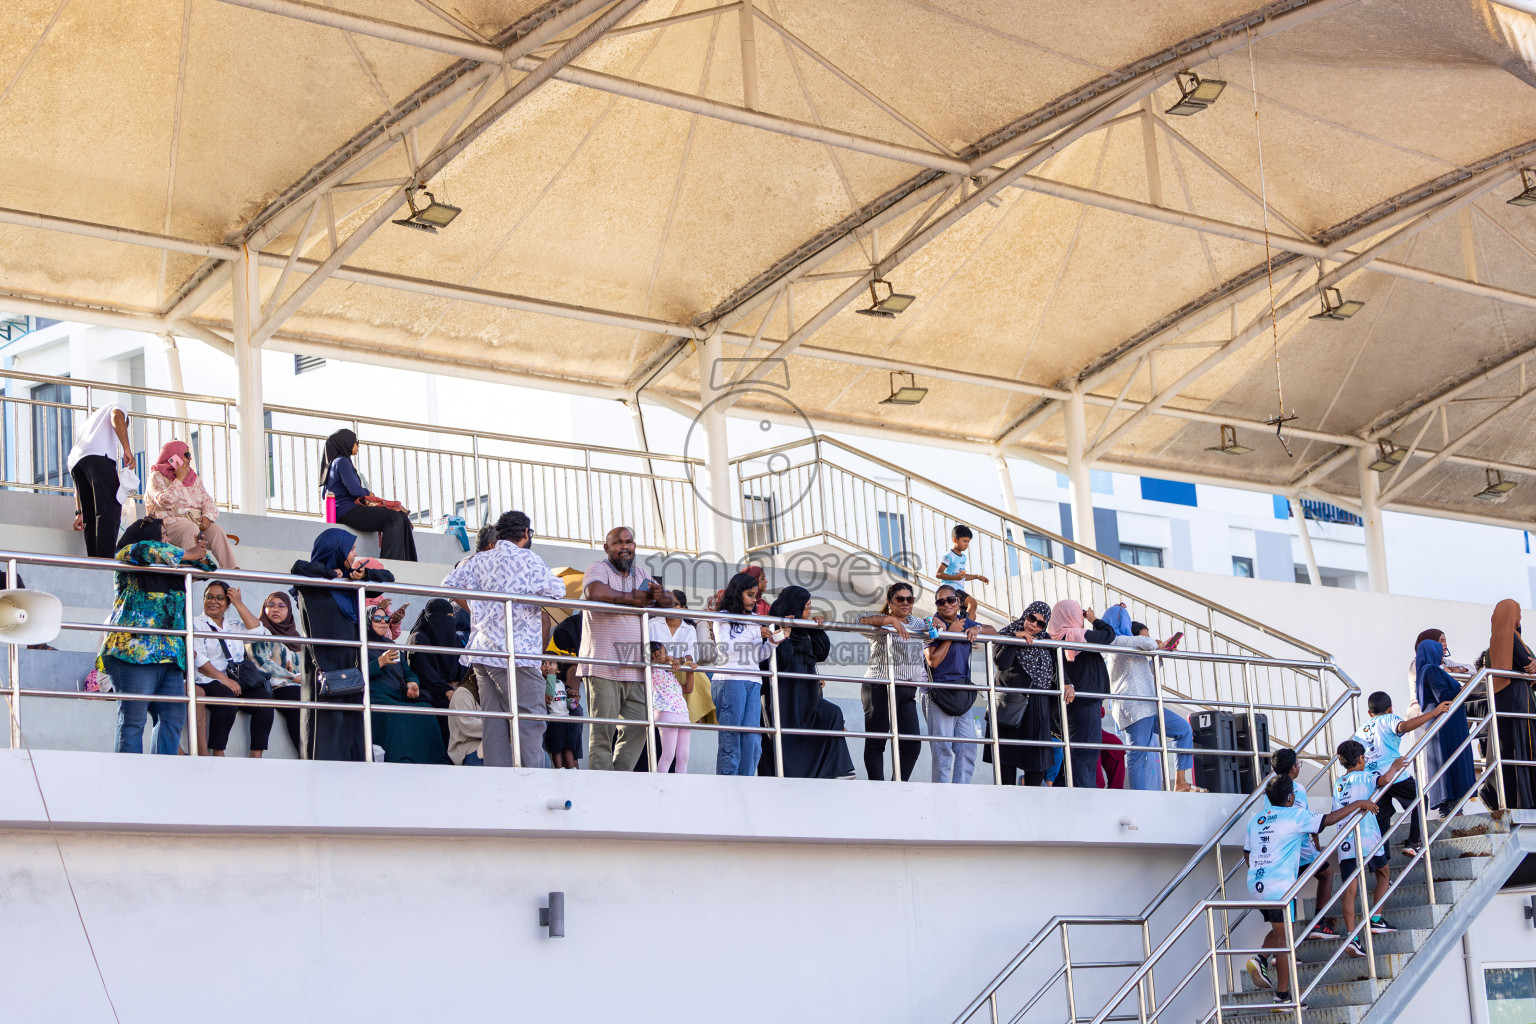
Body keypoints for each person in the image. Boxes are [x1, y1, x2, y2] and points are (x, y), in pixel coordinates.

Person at [441, 510, 566, 769]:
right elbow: (558, 590)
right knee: (531, 719)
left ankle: (496, 776)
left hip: (483, 650)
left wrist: (476, 607)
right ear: (524, 533)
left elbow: (448, 584)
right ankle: (532, 778)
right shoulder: (528, 559)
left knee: (494, 720)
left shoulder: (480, 560)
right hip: (517, 653)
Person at [1243, 774, 1377, 1009]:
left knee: (1278, 931)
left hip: (1257, 884)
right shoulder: (1294, 816)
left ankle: (1260, 958)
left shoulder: (1256, 820)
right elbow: (1328, 819)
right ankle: (1283, 996)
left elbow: (1247, 852)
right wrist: (1359, 804)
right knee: (1285, 942)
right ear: (1290, 797)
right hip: (1280, 889)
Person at [98, 518, 215, 754]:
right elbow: (146, 549)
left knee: (172, 719)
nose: (167, 540)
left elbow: (207, 569)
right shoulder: (129, 554)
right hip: (134, 654)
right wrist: (186, 553)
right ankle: (128, 776)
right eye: (163, 534)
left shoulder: (172, 566)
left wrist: (200, 552)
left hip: (170, 657)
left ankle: (161, 774)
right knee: (134, 720)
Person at [289, 528, 395, 761]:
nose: (355, 554)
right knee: (326, 726)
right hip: (324, 667)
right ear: (335, 550)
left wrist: (362, 575)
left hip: (350, 663)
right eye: (351, 549)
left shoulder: (350, 582)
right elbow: (298, 567)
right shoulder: (313, 584)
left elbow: (388, 577)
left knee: (351, 725)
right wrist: (330, 573)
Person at [579, 526, 665, 771]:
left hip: (636, 666)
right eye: (618, 543)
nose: (625, 546)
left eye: (629, 542)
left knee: (640, 726)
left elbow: (666, 600)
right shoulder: (598, 568)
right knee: (603, 732)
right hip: (603, 664)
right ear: (607, 548)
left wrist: (661, 594)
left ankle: (620, 779)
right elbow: (593, 591)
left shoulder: (641, 573)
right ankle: (602, 786)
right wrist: (631, 598)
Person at [760, 586, 855, 779]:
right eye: (807, 607)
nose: (810, 611)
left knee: (832, 713)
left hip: (807, 695)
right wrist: (785, 633)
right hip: (785, 696)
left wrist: (817, 629)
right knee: (787, 736)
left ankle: (834, 770)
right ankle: (788, 774)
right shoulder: (772, 626)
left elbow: (821, 653)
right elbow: (782, 658)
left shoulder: (804, 629)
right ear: (795, 608)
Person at [1108, 616, 1199, 792]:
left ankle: (1180, 781)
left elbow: (1147, 673)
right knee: (1137, 756)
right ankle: (1139, 796)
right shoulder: (1121, 647)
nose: (1148, 640)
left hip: (1151, 706)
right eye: (1145, 637)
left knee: (1184, 729)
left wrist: (1161, 654)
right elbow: (1143, 644)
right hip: (1135, 707)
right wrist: (1154, 644)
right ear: (1136, 637)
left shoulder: (1140, 653)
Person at [1334, 739, 1410, 945]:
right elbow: (1384, 780)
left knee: (1350, 888)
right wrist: (1394, 767)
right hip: (1367, 838)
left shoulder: (1338, 783)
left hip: (1345, 840)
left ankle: (1351, 936)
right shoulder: (1365, 776)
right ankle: (1375, 918)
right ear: (1360, 758)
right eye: (1364, 757)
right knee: (1383, 872)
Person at [1357, 690, 1449, 858]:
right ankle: (1413, 843)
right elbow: (1404, 727)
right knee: (1420, 799)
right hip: (1394, 774)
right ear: (1390, 709)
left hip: (1374, 779)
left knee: (1382, 818)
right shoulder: (1389, 719)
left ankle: (1381, 861)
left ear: (1370, 713)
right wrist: (1434, 712)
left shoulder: (1361, 730)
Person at [711, 571, 781, 776]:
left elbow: (758, 656)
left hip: (753, 681)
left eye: (756, 596)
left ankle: (746, 782)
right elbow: (725, 649)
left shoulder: (754, 619)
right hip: (730, 680)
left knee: (751, 740)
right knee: (731, 739)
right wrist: (754, 632)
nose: (754, 600)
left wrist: (773, 642)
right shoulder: (722, 617)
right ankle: (727, 784)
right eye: (750, 595)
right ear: (738, 593)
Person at [923, 583, 994, 784]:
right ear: (936, 605)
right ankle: (942, 795)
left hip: (962, 693)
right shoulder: (931, 624)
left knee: (968, 748)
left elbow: (994, 632)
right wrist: (951, 634)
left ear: (959, 602)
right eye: (941, 601)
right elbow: (933, 660)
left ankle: (961, 792)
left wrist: (977, 628)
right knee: (942, 751)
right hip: (939, 693)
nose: (946, 604)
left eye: (951, 600)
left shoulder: (966, 622)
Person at [858, 582, 928, 781]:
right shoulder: (881, 621)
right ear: (890, 602)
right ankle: (877, 787)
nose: (905, 603)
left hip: (907, 689)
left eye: (910, 599)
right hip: (879, 687)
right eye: (900, 599)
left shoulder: (917, 623)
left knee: (912, 744)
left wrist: (938, 625)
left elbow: (932, 637)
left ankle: (898, 785)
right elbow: (858, 619)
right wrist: (890, 620)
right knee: (877, 742)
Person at [192, 580, 271, 757]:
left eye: (220, 598)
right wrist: (223, 679)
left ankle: (256, 755)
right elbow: (199, 658)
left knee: (265, 701)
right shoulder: (195, 622)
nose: (213, 601)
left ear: (228, 603)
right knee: (226, 696)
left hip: (236, 679)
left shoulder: (234, 625)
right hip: (207, 679)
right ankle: (218, 751)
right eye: (209, 597)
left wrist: (239, 603)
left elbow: (258, 633)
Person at [366, 603, 450, 764]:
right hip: (377, 695)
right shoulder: (360, 645)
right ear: (368, 621)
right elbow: (358, 673)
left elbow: (407, 670)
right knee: (397, 715)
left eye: (386, 618)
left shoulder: (390, 645)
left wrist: (412, 682)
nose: (383, 622)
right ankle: (401, 760)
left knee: (427, 710)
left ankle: (434, 761)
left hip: (398, 694)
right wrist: (379, 662)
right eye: (377, 618)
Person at [319, 428, 418, 561]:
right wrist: (368, 493)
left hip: (348, 509)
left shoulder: (338, 462)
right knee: (393, 517)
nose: (358, 445)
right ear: (346, 443)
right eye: (356, 441)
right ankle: (390, 561)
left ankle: (408, 561)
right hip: (346, 510)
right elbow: (355, 490)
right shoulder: (341, 461)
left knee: (401, 516)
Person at [1048, 599, 1115, 788]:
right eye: (1078, 613)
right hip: (1085, 703)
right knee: (1086, 754)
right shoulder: (1076, 634)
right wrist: (1094, 619)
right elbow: (1108, 635)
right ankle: (1084, 799)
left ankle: (1080, 796)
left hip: (1076, 704)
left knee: (1080, 754)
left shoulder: (1056, 637)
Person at [144, 440, 238, 569]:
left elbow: (208, 502)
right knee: (189, 528)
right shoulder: (156, 476)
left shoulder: (193, 478)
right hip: (168, 526)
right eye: (187, 455)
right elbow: (164, 501)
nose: (190, 458)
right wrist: (179, 479)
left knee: (216, 530)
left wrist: (207, 517)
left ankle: (232, 569)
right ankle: (192, 570)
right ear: (173, 457)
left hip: (195, 523)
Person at [994, 601, 1057, 786]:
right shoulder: (1008, 632)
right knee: (1006, 763)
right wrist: (1016, 639)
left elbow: (1056, 669)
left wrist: (1067, 684)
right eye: (1032, 618)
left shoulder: (1046, 640)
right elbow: (1001, 663)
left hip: (1037, 706)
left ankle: (1031, 808)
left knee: (1036, 764)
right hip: (1011, 704)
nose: (1034, 625)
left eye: (1040, 623)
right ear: (1025, 614)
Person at [1413, 632, 1476, 815]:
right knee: (1450, 760)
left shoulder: (1423, 670)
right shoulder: (1432, 669)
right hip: (1447, 724)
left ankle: (1450, 806)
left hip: (1439, 722)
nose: (1442, 652)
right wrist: (1464, 690)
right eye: (1438, 648)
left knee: (1443, 761)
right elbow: (1444, 695)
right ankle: (1451, 807)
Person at [1486, 600, 1536, 811]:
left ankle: (1511, 798)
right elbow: (1529, 663)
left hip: (1503, 700)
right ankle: (1528, 799)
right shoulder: (1512, 638)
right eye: (1518, 613)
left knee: (1510, 750)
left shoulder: (1492, 646)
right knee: (1526, 747)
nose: (1520, 618)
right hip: (1519, 699)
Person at [68, 403, 135, 559]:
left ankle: (94, 563)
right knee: (110, 509)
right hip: (99, 457)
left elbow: (80, 487)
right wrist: (126, 448)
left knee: (90, 516)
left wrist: (79, 512)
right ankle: (105, 561)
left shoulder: (88, 425)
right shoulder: (117, 407)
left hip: (76, 463)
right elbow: (116, 416)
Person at [249, 591, 305, 754]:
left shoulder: (297, 639)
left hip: (296, 685)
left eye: (282, 606)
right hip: (274, 686)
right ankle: (306, 754)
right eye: (270, 605)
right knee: (298, 698)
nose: (275, 610)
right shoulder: (259, 632)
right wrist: (294, 677)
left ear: (289, 611)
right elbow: (262, 663)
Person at [648, 611, 695, 774]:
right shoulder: (651, 671)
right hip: (667, 713)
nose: (669, 655)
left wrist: (690, 670)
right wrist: (669, 659)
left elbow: (687, 689)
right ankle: (660, 786)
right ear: (656, 655)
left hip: (683, 714)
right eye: (665, 652)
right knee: (668, 755)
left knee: (683, 756)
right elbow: (652, 665)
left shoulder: (669, 675)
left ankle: (679, 788)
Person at [406, 598, 466, 710]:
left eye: (452, 616)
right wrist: (445, 690)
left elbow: (463, 666)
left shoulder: (455, 639)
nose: (450, 620)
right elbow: (424, 671)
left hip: (457, 691)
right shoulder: (418, 639)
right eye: (447, 616)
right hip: (431, 693)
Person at [937, 525, 988, 620]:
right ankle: (964, 627)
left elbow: (962, 576)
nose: (967, 544)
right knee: (972, 603)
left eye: (968, 542)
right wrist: (955, 577)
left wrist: (977, 576)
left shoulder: (963, 557)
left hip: (960, 590)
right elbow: (938, 574)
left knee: (971, 615)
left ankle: (962, 629)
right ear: (955, 540)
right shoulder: (949, 556)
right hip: (951, 589)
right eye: (964, 541)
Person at [447, 674, 484, 766]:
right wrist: (501, 726)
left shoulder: (495, 695)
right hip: (468, 747)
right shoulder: (463, 693)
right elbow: (468, 726)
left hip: (492, 743)